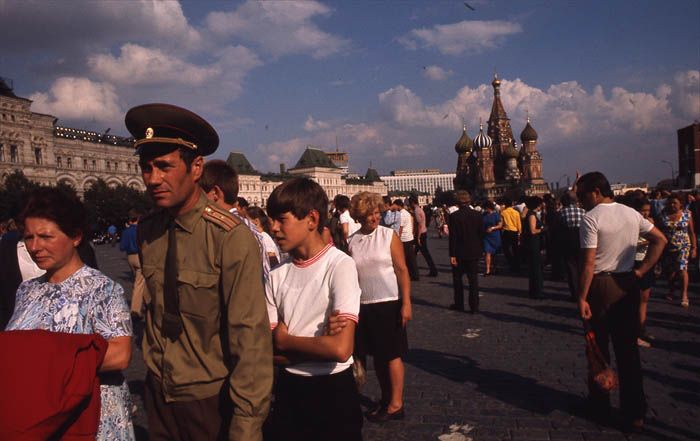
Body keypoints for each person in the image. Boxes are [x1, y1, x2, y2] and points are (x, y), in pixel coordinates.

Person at [125, 103, 272, 441]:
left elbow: (250, 340)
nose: (152, 179)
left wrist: (246, 425)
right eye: (146, 168)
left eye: (164, 166)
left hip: (209, 401)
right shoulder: (149, 230)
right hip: (159, 395)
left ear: (195, 168)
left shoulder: (229, 237)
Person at [6, 188, 134, 440]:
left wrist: (42, 361)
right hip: (41, 416)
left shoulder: (102, 289)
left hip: (90, 416)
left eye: (45, 236)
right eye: (28, 237)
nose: (34, 247)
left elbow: (120, 354)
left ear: (75, 236)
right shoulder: (27, 289)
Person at [265, 178, 362, 441]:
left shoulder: (339, 265)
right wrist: (320, 345)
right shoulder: (275, 275)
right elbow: (265, 350)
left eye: (280, 219)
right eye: (270, 219)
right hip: (289, 390)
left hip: (333, 393)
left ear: (311, 219)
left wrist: (286, 340)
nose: (273, 228)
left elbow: (341, 350)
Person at [576, 172, 667, 432]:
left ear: (595, 191)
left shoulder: (591, 218)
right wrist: (641, 270)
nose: (581, 201)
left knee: (598, 349)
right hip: (627, 283)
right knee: (628, 352)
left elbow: (589, 263)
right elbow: (660, 240)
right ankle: (635, 412)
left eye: (582, 195)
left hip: (601, 285)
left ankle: (600, 406)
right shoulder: (630, 213)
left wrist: (582, 297)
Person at [347, 192, 411, 423]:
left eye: (376, 213)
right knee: (378, 358)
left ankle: (396, 403)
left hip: (388, 303)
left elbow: (402, 270)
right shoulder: (352, 240)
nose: (374, 218)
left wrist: (406, 303)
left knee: (391, 355)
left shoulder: (388, 235)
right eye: (368, 215)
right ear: (359, 216)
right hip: (365, 305)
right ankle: (386, 399)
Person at [199, 159, 270, 281]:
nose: (197, 200)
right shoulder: (249, 226)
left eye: (200, 194)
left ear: (215, 193)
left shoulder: (220, 228)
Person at [448, 190, 484, 313]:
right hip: (474, 251)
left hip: (459, 252)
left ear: (457, 202)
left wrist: (452, 254)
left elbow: (453, 237)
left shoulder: (454, 216)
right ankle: (474, 307)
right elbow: (481, 234)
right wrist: (481, 249)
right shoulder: (478, 215)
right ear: (469, 201)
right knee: (473, 280)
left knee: (458, 280)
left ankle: (459, 304)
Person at [659, 193, 696, 308]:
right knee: (670, 272)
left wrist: (694, 248)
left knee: (682, 269)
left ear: (680, 204)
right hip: (668, 247)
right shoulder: (663, 215)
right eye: (670, 202)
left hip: (683, 246)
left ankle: (684, 295)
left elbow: (691, 232)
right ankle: (671, 290)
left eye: (675, 203)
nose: (672, 205)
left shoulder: (687, 215)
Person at [629, 196, 656, 347]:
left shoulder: (650, 223)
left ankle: (641, 329)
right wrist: (650, 239)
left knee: (644, 299)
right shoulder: (632, 223)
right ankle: (634, 332)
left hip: (647, 261)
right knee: (634, 300)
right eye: (643, 211)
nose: (646, 214)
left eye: (648, 211)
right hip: (635, 262)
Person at [119, 209, 147, 319]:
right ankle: (135, 310)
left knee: (139, 281)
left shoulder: (126, 231)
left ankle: (146, 304)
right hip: (140, 256)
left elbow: (122, 247)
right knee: (139, 283)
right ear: (138, 219)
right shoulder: (140, 230)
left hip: (130, 257)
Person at [559, 191, 586, 301]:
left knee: (571, 268)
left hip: (568, 240)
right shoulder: (583, 212)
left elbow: (559, 227)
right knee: (582, 267)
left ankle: (575, 293)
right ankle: (584, 291)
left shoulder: (562, 212)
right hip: (581, 240)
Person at [409, 195, 438, 277]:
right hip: (423, 232)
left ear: (412, 203)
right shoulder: (419, 210)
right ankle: (414, 270)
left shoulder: (416, 211)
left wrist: (417, 237)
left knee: (421, 253)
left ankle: (414, 271)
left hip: (420, 234)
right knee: (416, 253)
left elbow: (419, 225)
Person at [523, 196, 545, 299]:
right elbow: (532, 231)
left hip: (532, 243)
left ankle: (535, 291)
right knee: (536, 268)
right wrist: (543, 229)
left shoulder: (530, 214)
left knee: (535, 268)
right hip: (533, 243)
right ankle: (537, 291)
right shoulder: (532, 215)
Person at [395, 199, 419, 281]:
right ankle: (415, 274)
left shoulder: (401, 214)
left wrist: (398, 238)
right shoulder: (407, 213)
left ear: (398, 205)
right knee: (411, 258)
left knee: (403, 258)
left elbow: (400, 228)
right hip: (409, 237)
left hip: (404, 238)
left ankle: (406, 274)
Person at [500, 198, 521, 273]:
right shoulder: (516, 212)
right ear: (512, 204)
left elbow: (502, 224)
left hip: (507, 231)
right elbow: (519, 224)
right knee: (516, 249)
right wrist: (519, 233)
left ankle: (511, 262)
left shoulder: (503, 212)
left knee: (506, 249)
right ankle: (517, 265)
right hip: (515, 231)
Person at [482, 200, 502, 276]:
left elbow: (500, 225)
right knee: (487, 252)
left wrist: (493, 228)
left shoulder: (496, 215)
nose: (485, 209)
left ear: (489, 207)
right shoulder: (483, 214)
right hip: (486, 236)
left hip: (495, 235)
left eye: (486, 208)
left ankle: (495, 268)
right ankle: (488, 270)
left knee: (494, 254)